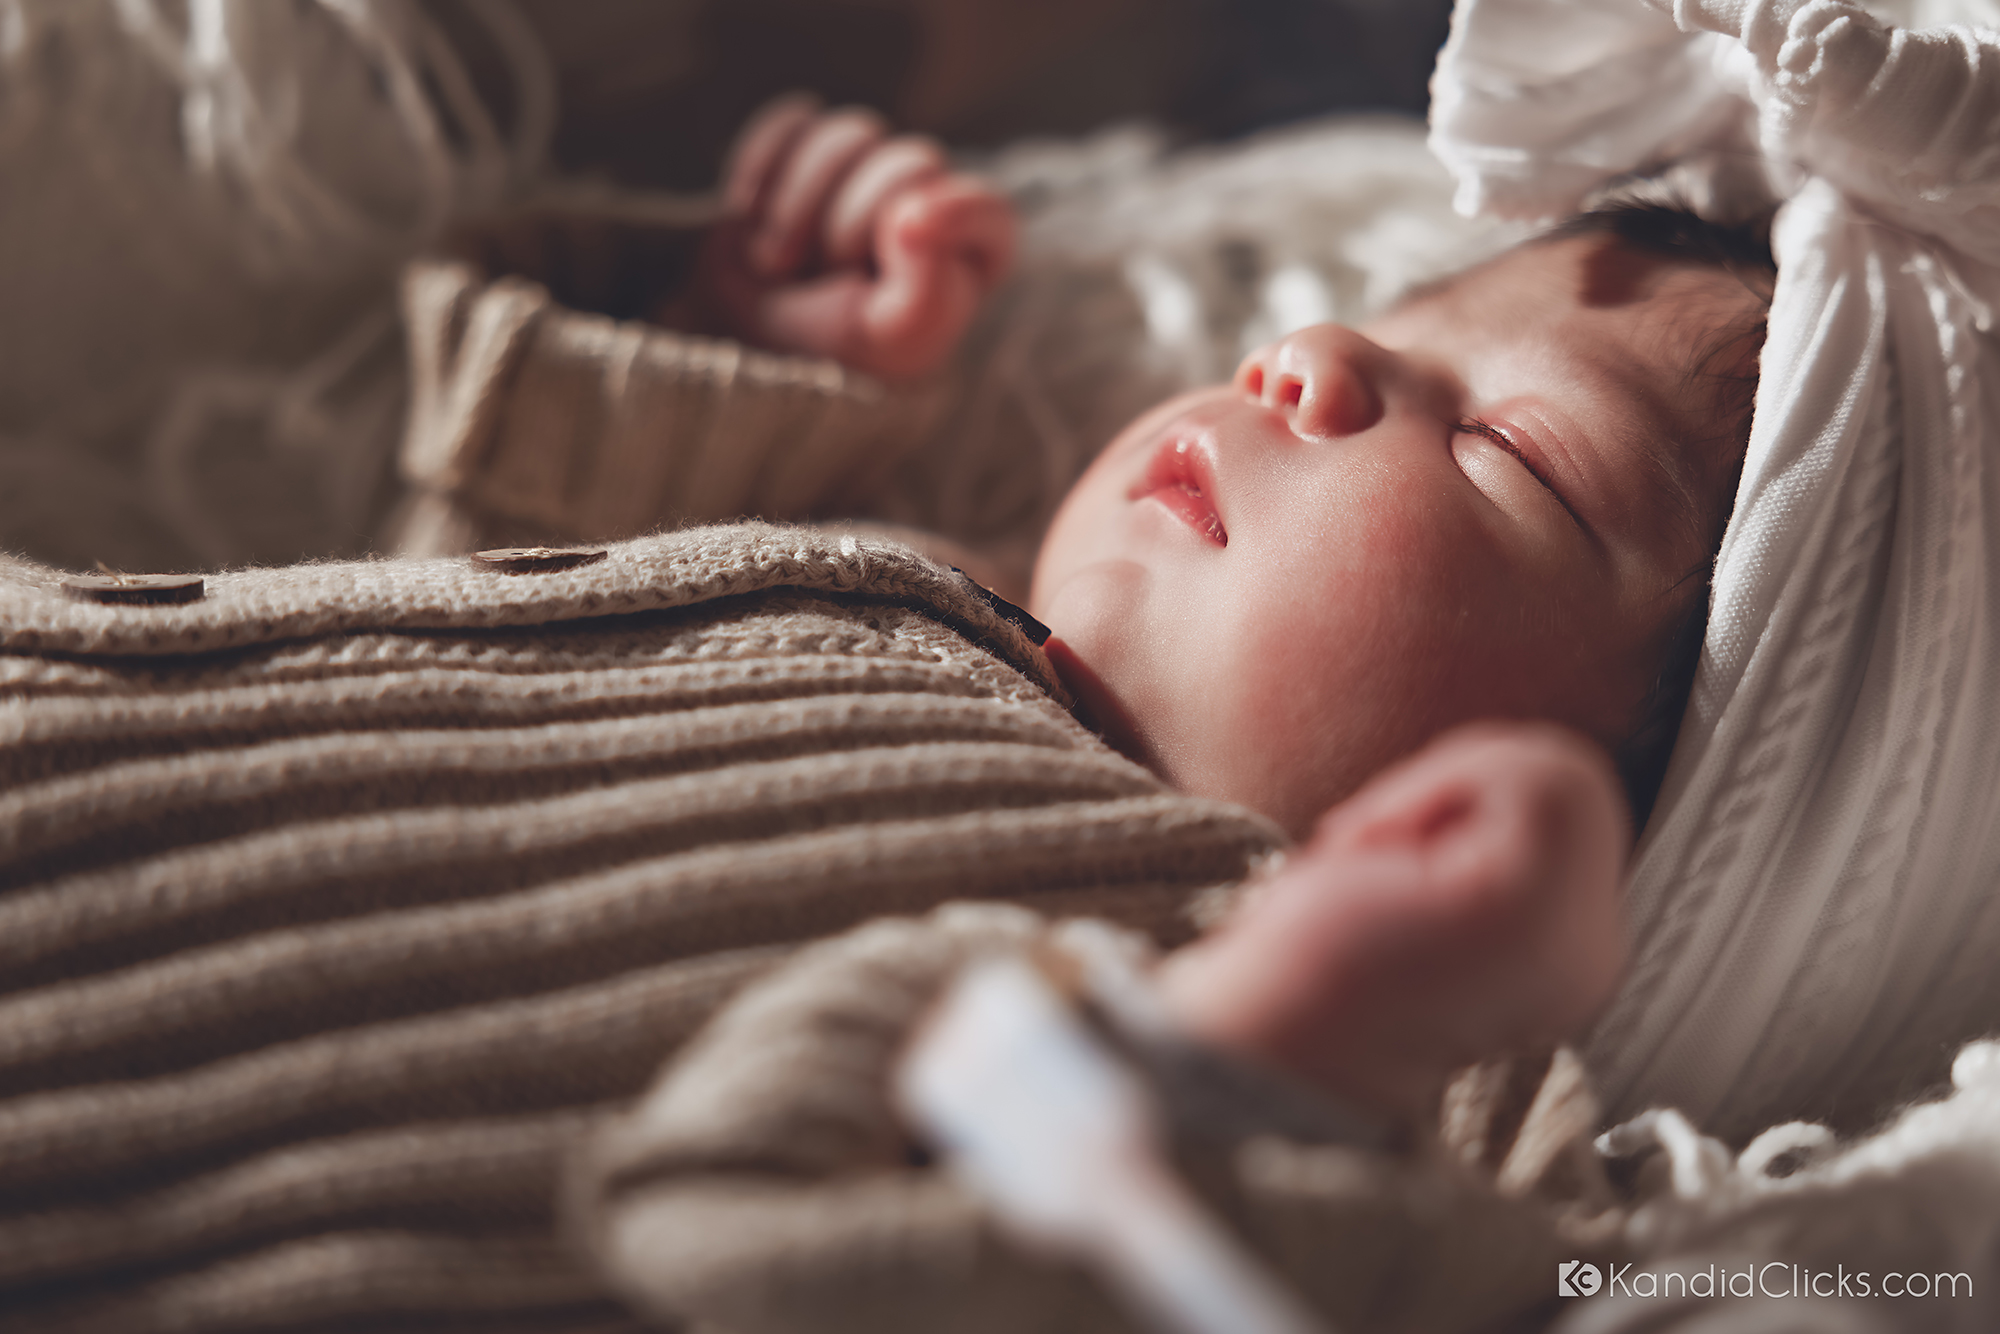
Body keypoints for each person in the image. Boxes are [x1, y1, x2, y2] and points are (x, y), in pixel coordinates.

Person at [658, 92, 1772, 1116]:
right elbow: (505, 514)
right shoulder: (875, 548)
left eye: (1507, 449)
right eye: (1387, 324)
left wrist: (1269, 1049)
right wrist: (725, 368)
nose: (1310, 351)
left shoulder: (1257, 1011)